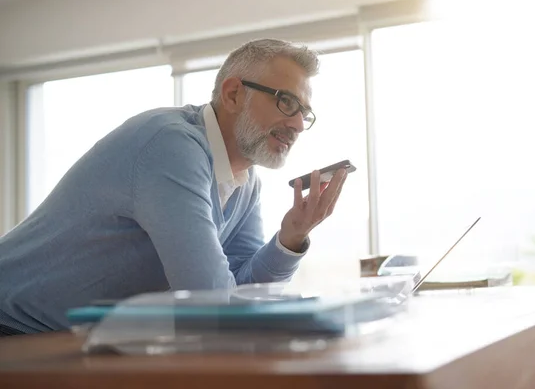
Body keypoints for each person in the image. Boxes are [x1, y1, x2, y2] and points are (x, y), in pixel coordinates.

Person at [0, 39, 348, 335]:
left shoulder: (246, 182)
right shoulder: (172, 147)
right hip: (13, 327)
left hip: (65, 335)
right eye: (287, 102)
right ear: (233, 94)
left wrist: (291, 238)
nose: (298, 124)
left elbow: (246, 295)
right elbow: (211, 301)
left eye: (305, 112)